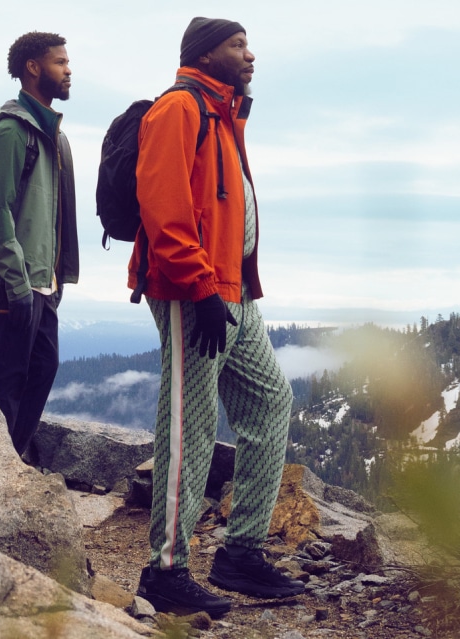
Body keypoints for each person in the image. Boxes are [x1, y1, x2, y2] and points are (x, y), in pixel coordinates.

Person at [130, 17, 305, 618]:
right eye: (238, 45)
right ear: (208, 54)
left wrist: (226, 287)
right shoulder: (179, 109)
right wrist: (198, 286)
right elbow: (163, 202)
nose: (251, 54)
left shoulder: (223, 112)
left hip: (233, 291)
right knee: (191, 420)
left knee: (269, 400)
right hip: (193, 290)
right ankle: (166, 571)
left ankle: (241, 552)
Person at [0, 31, 79, 457]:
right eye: (59, 62)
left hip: (42, 283)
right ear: (33, 68)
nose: (68, 70)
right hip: (13, 283)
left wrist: (56, 277)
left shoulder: (51, 134)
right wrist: (17, 283)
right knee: (4, 380)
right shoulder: (12, 130)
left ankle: (12, 464)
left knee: (41, 369)